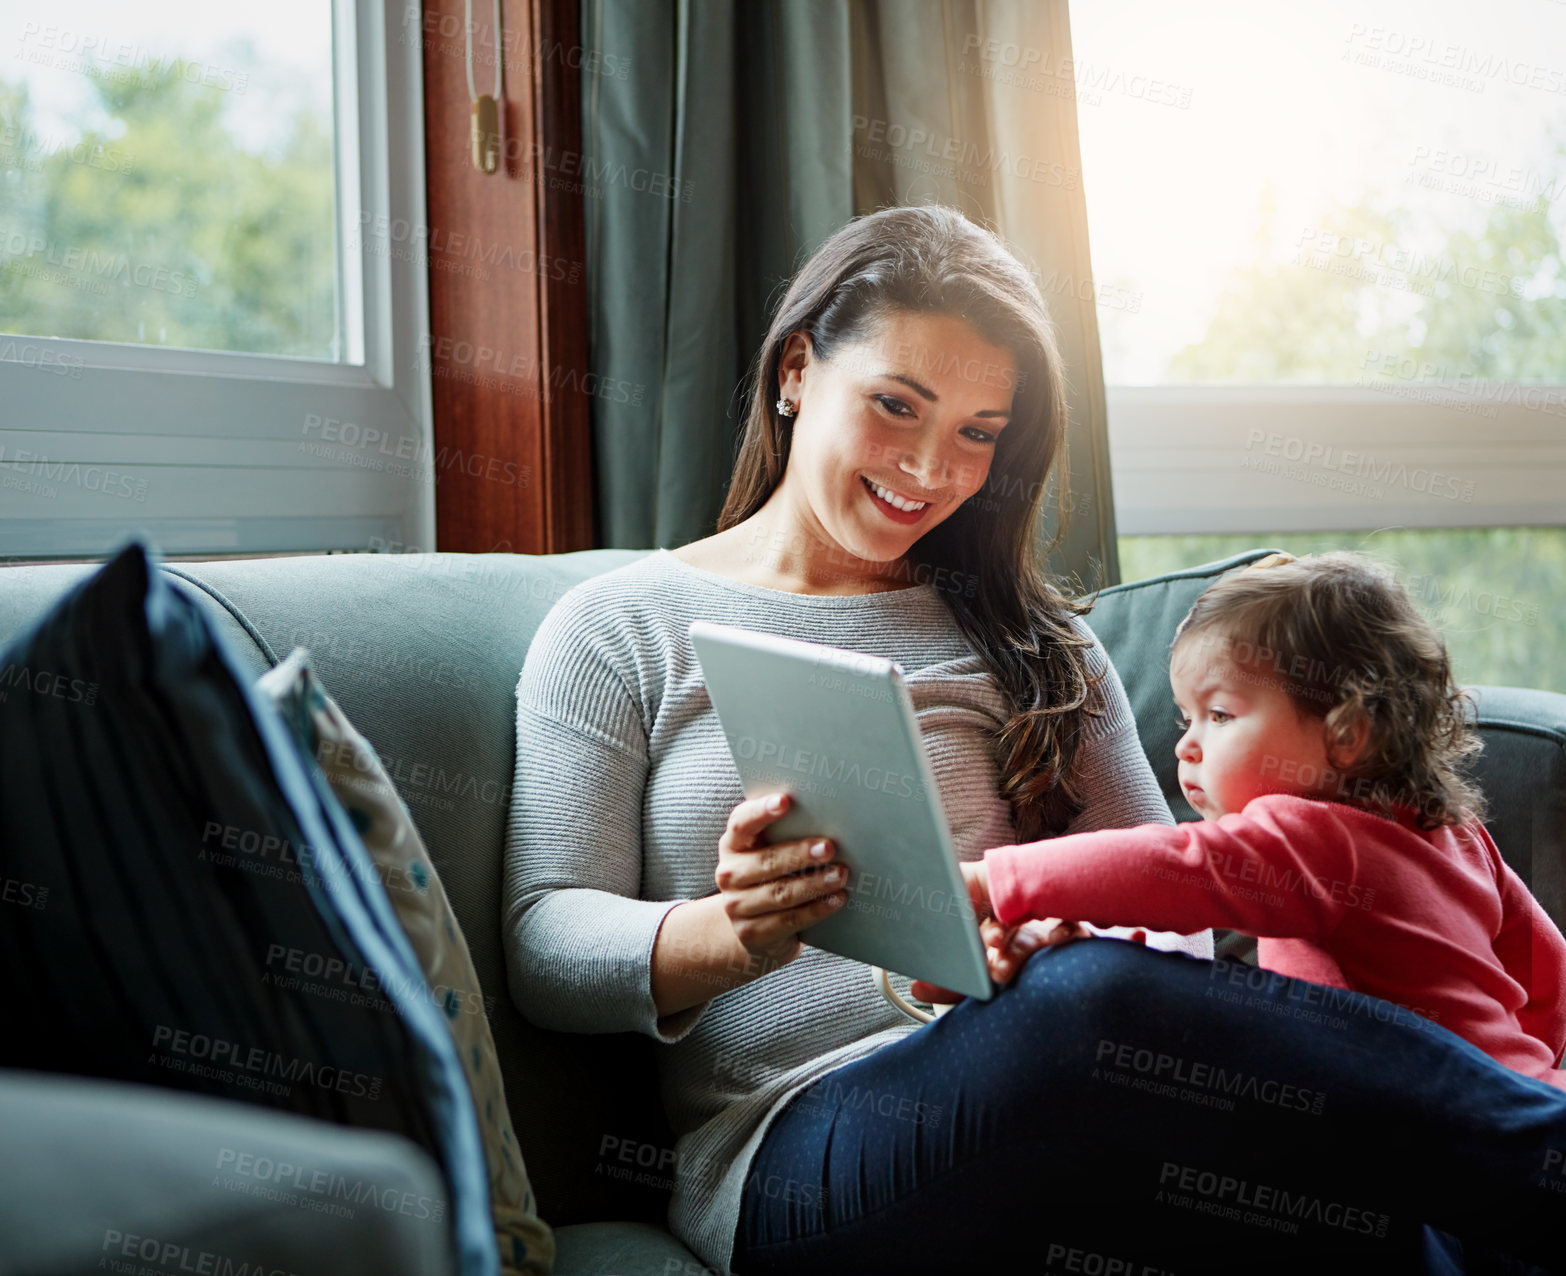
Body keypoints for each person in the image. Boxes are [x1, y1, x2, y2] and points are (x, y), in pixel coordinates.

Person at [502, 204, 1566, 1275]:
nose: (929, 468)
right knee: (1085, 1005)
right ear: (794, 371)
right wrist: (731, 933)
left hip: (1072, 1107)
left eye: (977, 433)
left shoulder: (1036, 642)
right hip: (798, 1156)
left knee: (1352, 1203)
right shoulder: (617, 629)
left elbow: (1183, 934)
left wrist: (1050, 936)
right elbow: (544, 939)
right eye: (895, 405)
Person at [956, 550, 1566, 1093]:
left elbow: (1169, 866)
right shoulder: (1455, 830)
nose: (1186, 748)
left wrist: (991, 882)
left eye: (1219, 715)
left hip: (1457, 1128)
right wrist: (1532, 1066)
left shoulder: (1315, 838)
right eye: (1184, 719)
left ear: (1347, 735)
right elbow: (1545, 970)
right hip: (1524, 1097)